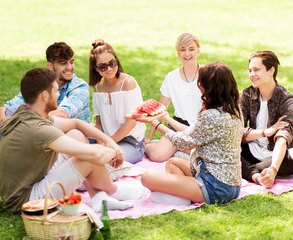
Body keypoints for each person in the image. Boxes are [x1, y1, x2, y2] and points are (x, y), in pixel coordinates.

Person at [0, 68, 144, 213]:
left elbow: (76, 123)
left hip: (29, 183)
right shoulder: (38, 129)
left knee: (76, 134)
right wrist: (115, 151)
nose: (58, 94)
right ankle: (113, 190)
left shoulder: (28, 112)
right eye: (56, 91)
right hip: (26, 201)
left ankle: (98, 198)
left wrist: (109, 141)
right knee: (88, 157)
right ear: (44, 95)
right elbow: (95, 155)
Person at [0, 42, 90, 191]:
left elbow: (63, 114)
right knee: (12, 112)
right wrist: (2, 119)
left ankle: (0, 168)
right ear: (50, 66)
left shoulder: (80, 87)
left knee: (18, 114)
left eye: (71, 62)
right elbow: (4, 108)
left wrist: (22, 116)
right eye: (63, 63)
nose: (69, 68)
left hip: (68, 139)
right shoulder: (41, 84)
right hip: (42, 135)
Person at [139, 62, 243, 205]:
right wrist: (165, 117)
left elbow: (182, 142)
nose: (199, 87)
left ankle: (182, 197)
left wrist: (155, 123)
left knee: (147, 177)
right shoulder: (234, 110)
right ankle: (183, 193)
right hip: (231, 184)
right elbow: (190, 132)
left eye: (201, 83)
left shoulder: (210, 115)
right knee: (173, 163)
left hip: (215, 187)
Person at [240, 51, 293, 188]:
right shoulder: (247, 95)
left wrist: (273, 168)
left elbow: (283, 137)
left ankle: (248, 170)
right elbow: (236, 130)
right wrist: (266, 132)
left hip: (277, 155)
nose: (251, 75)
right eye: (250, 70)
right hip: (252, 148)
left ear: (271, 71)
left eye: (256, 70)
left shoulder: (287, 100)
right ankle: (254, 172)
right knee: (225, 146)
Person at [144, 33, 203, 162]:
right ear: (178, 53)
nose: (187, 54)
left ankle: (178, 148)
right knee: (157, 156)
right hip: (177, 125)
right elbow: (160, 110)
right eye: (182, 50)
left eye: (191, 49)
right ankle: (150, 146)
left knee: (204, 155)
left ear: (198, 51)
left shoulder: (208, 74)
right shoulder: (171, 77)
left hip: (200, 128)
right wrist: (148, 139)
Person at [88, 39, 146, 164]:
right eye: (102, 66)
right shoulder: (98, 87)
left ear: (117, 61)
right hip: (108, 139)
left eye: (112, 63)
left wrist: (107, 145)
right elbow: (99, 122)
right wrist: (101, 144)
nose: (109, 68)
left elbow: (131, 122)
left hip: (132, 144)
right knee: (75, 141)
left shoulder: (128, 83)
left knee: (105, 160)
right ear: (96, 68)